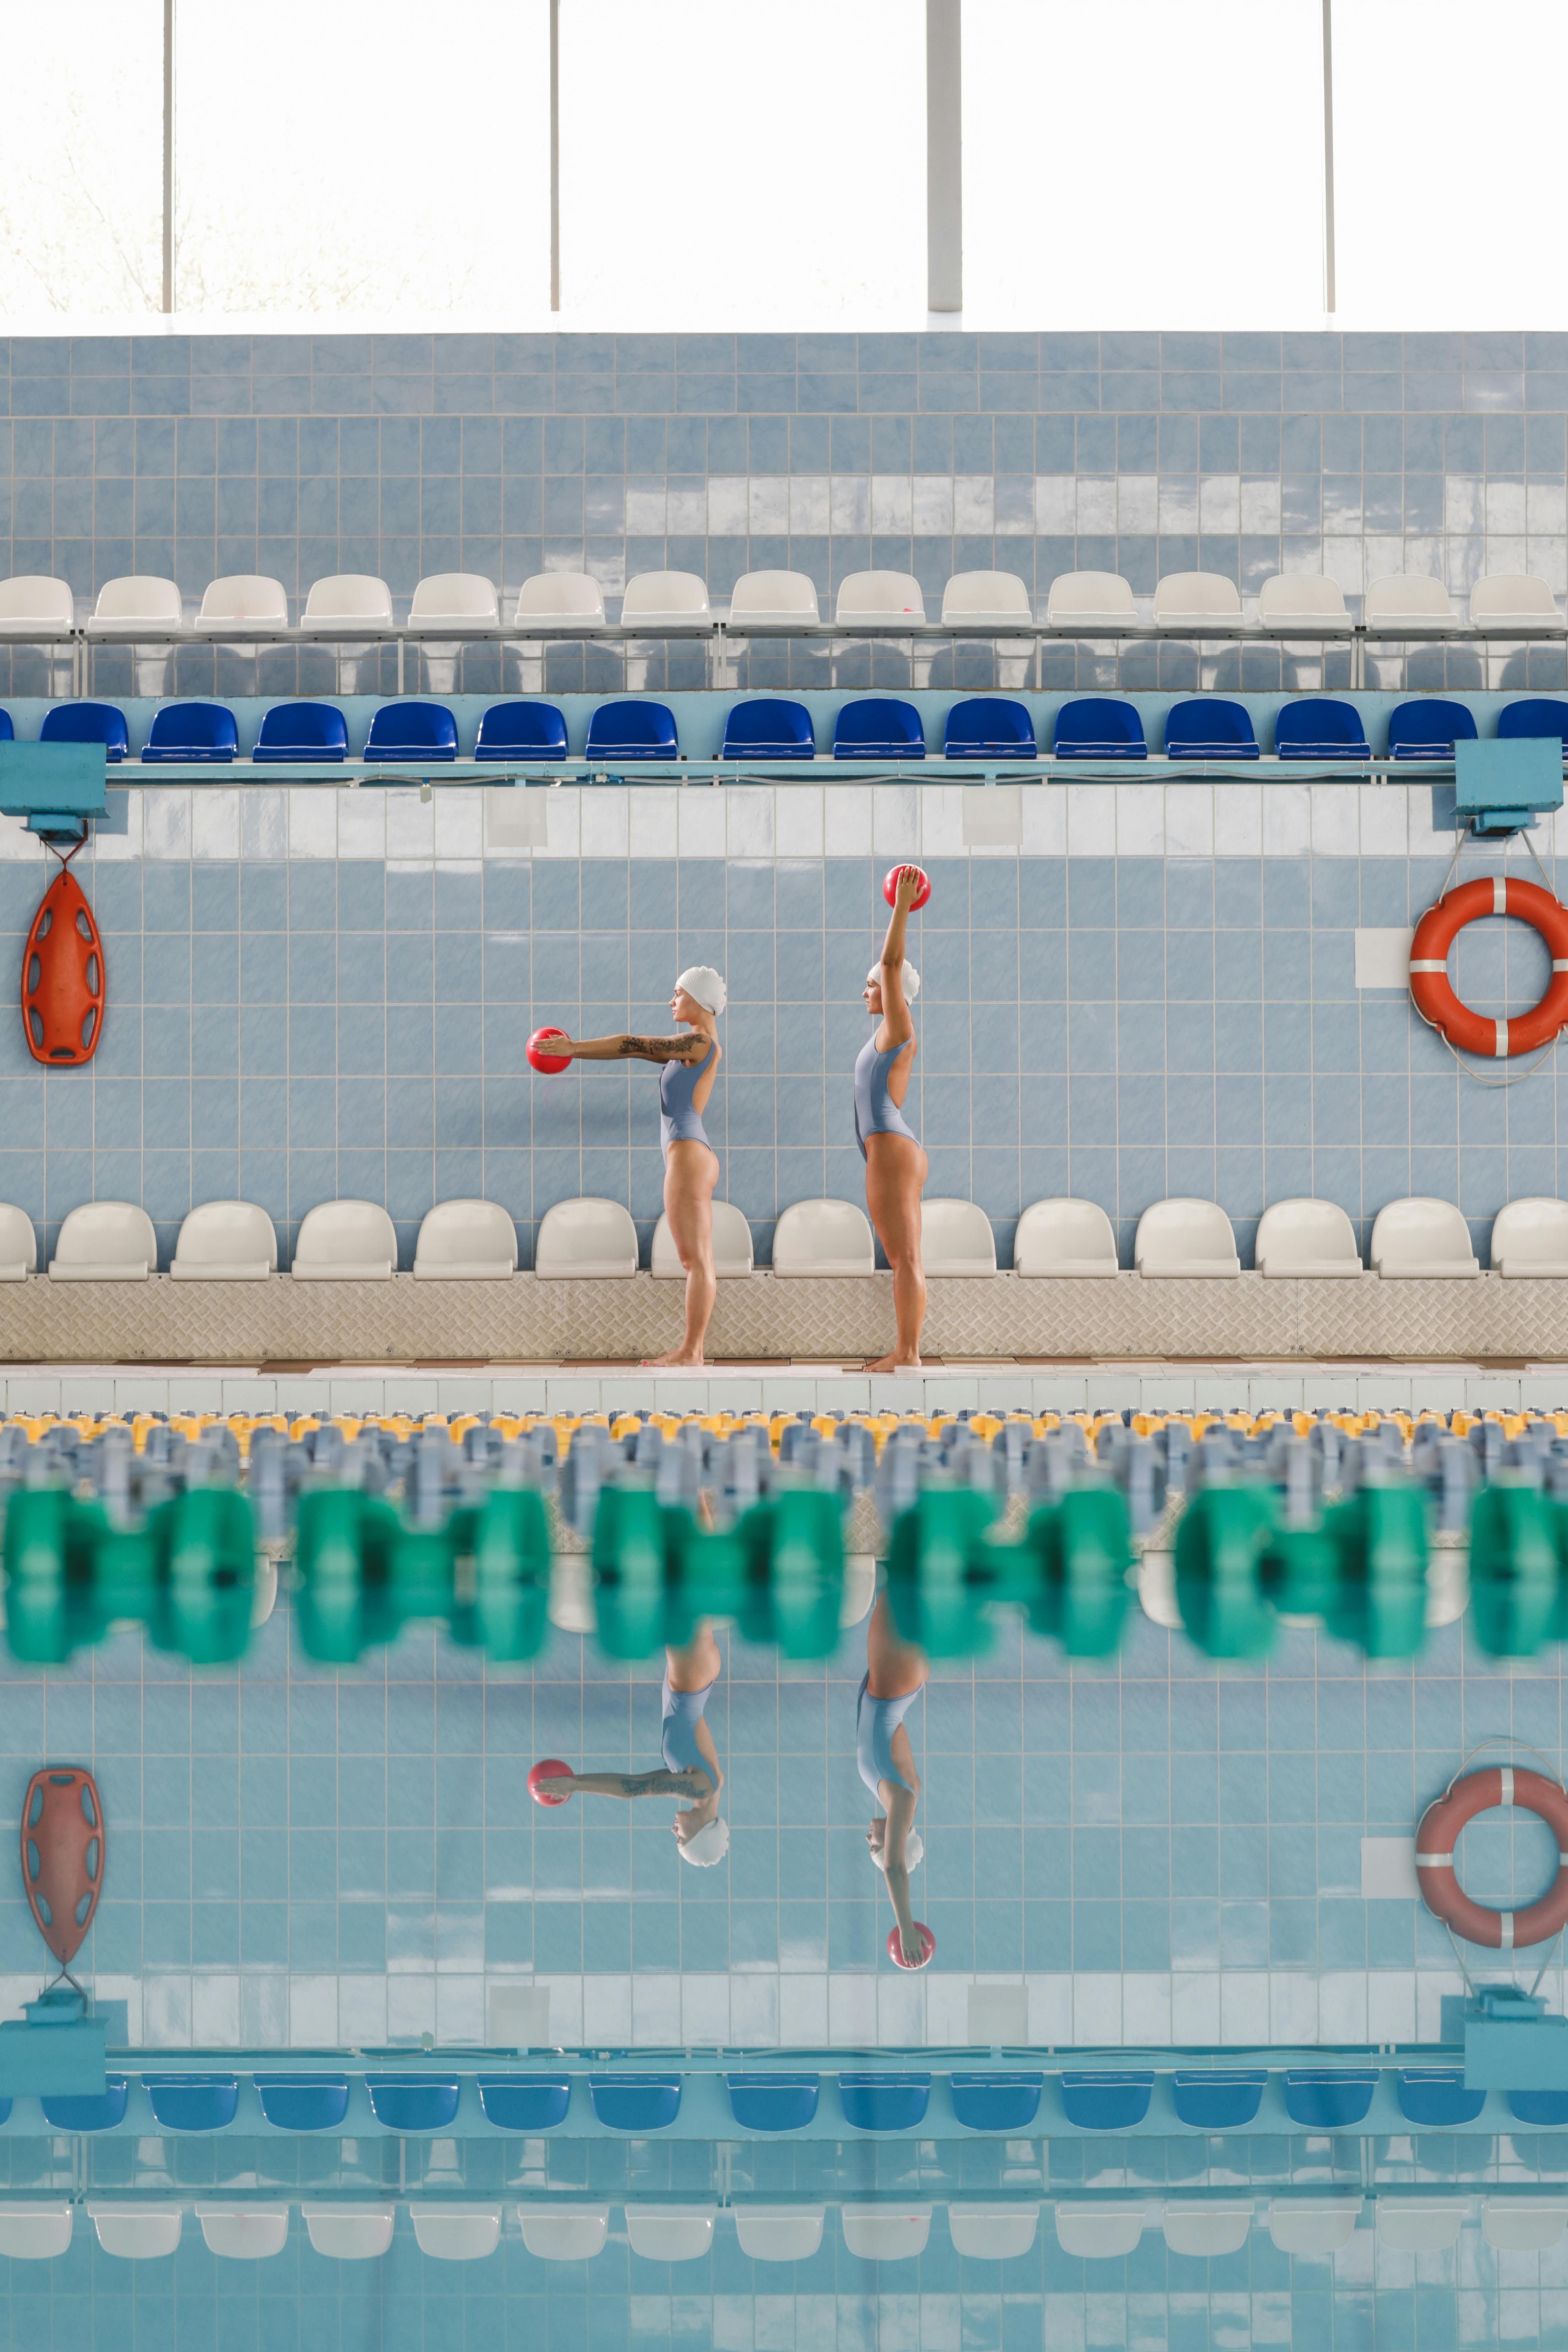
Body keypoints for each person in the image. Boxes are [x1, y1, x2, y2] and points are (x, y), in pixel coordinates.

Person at [543, 967, 725, 1366]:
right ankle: (691, 1351)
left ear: (698, 999)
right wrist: (577, 1050)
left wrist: (574, 1049)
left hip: (689, 1155)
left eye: (678, 993)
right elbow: (636, 1049)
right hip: (693, 1153)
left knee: (695, 1260)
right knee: (698, 1258)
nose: (671, 1001)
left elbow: (633, 1044)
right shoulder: (694, 1044)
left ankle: (691, 1352)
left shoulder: (698, 1042)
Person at [529, 1625, 727, 1865]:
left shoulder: (703, 1787)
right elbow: (637, 1787)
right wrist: (576, 1784)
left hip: (693, 1678)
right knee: (686, 1599)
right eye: (681, 1839)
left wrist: (577, 1783)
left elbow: (639, 1783)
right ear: (700, 1833)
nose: (674, 1832)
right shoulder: (702, 1788)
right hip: (692, 1677)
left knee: (686, 1601)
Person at [858, 866, 927, 1371]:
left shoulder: (898, 1025)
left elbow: (891, 960)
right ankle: (905, 1349)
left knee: (905, 1259)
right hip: (889, 1149)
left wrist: (900, 906)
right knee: (903, 1256)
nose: (867, 991)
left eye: (873, 985)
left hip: (892, 1149)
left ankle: (908, 1353)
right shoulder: (884, 1034)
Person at [859, 1588, 930, 1967]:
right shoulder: (903, 1798)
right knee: (904, 1574)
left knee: (906, 1578)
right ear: (894, 1842)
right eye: (874, 1846)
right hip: (895, 1680)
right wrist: (905, 1928)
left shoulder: (888, 1791)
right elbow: (894, 1868)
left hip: (892, 1683)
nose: (868, 1839)